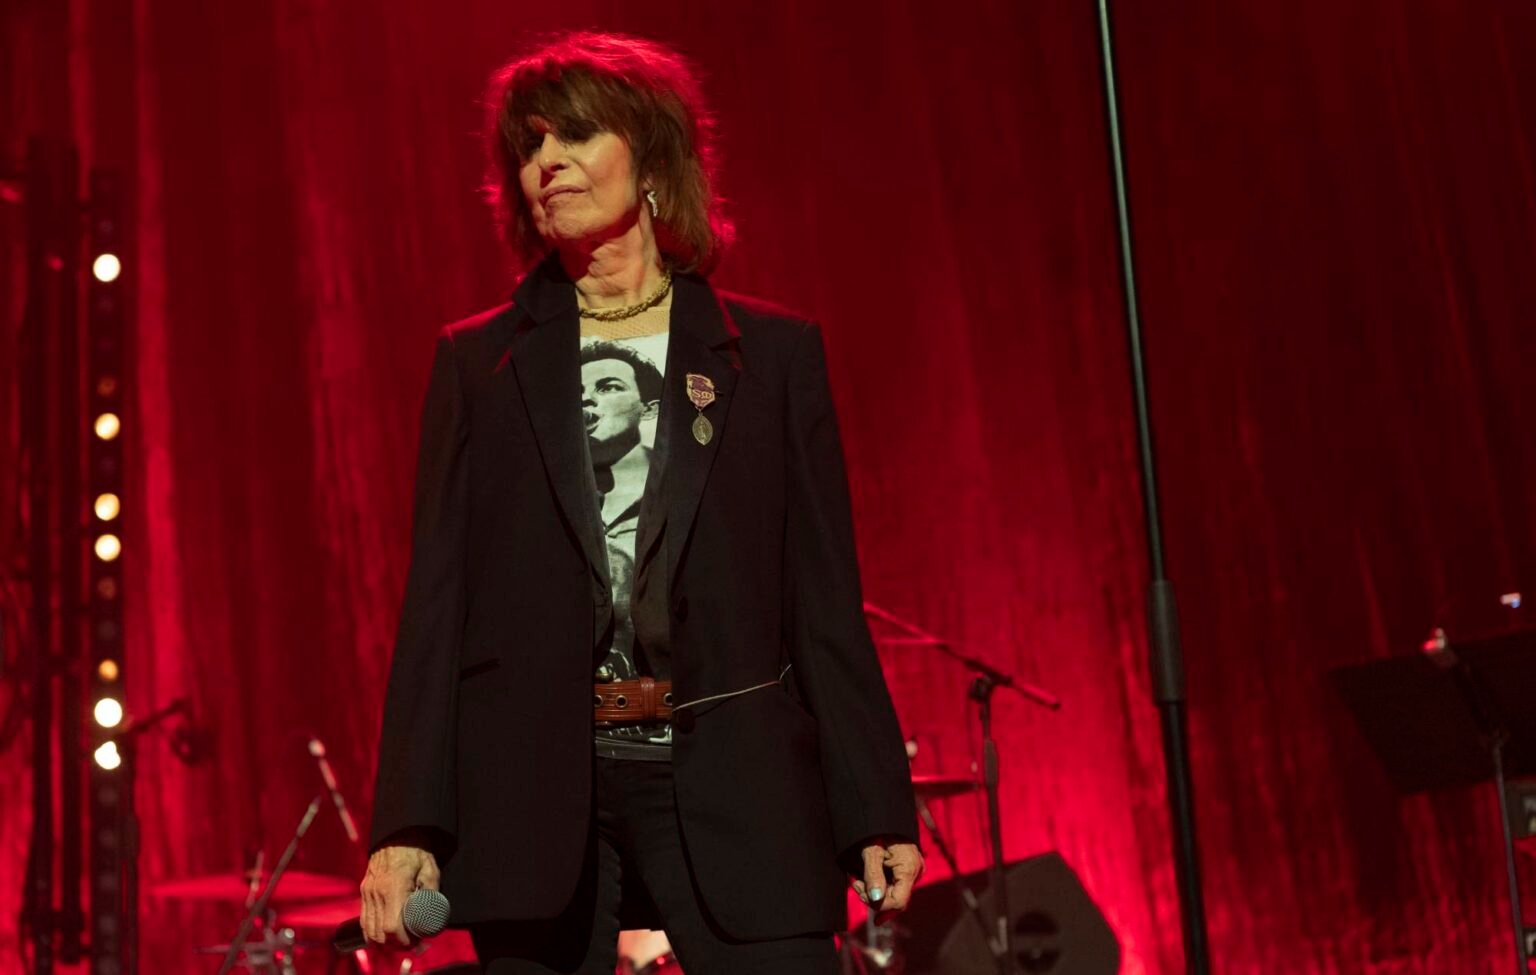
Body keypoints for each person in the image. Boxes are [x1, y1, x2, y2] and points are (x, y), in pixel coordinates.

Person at [359, 31, 922, 974]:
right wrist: (408, 822)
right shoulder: (479, 365)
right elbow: (434, 610)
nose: (546, 162)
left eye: (575, 135)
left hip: (738, 784)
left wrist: (874, 804)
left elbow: (824, 602)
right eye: (530, 146)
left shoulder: (773, 358)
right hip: (540, 795)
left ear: (652, 158)